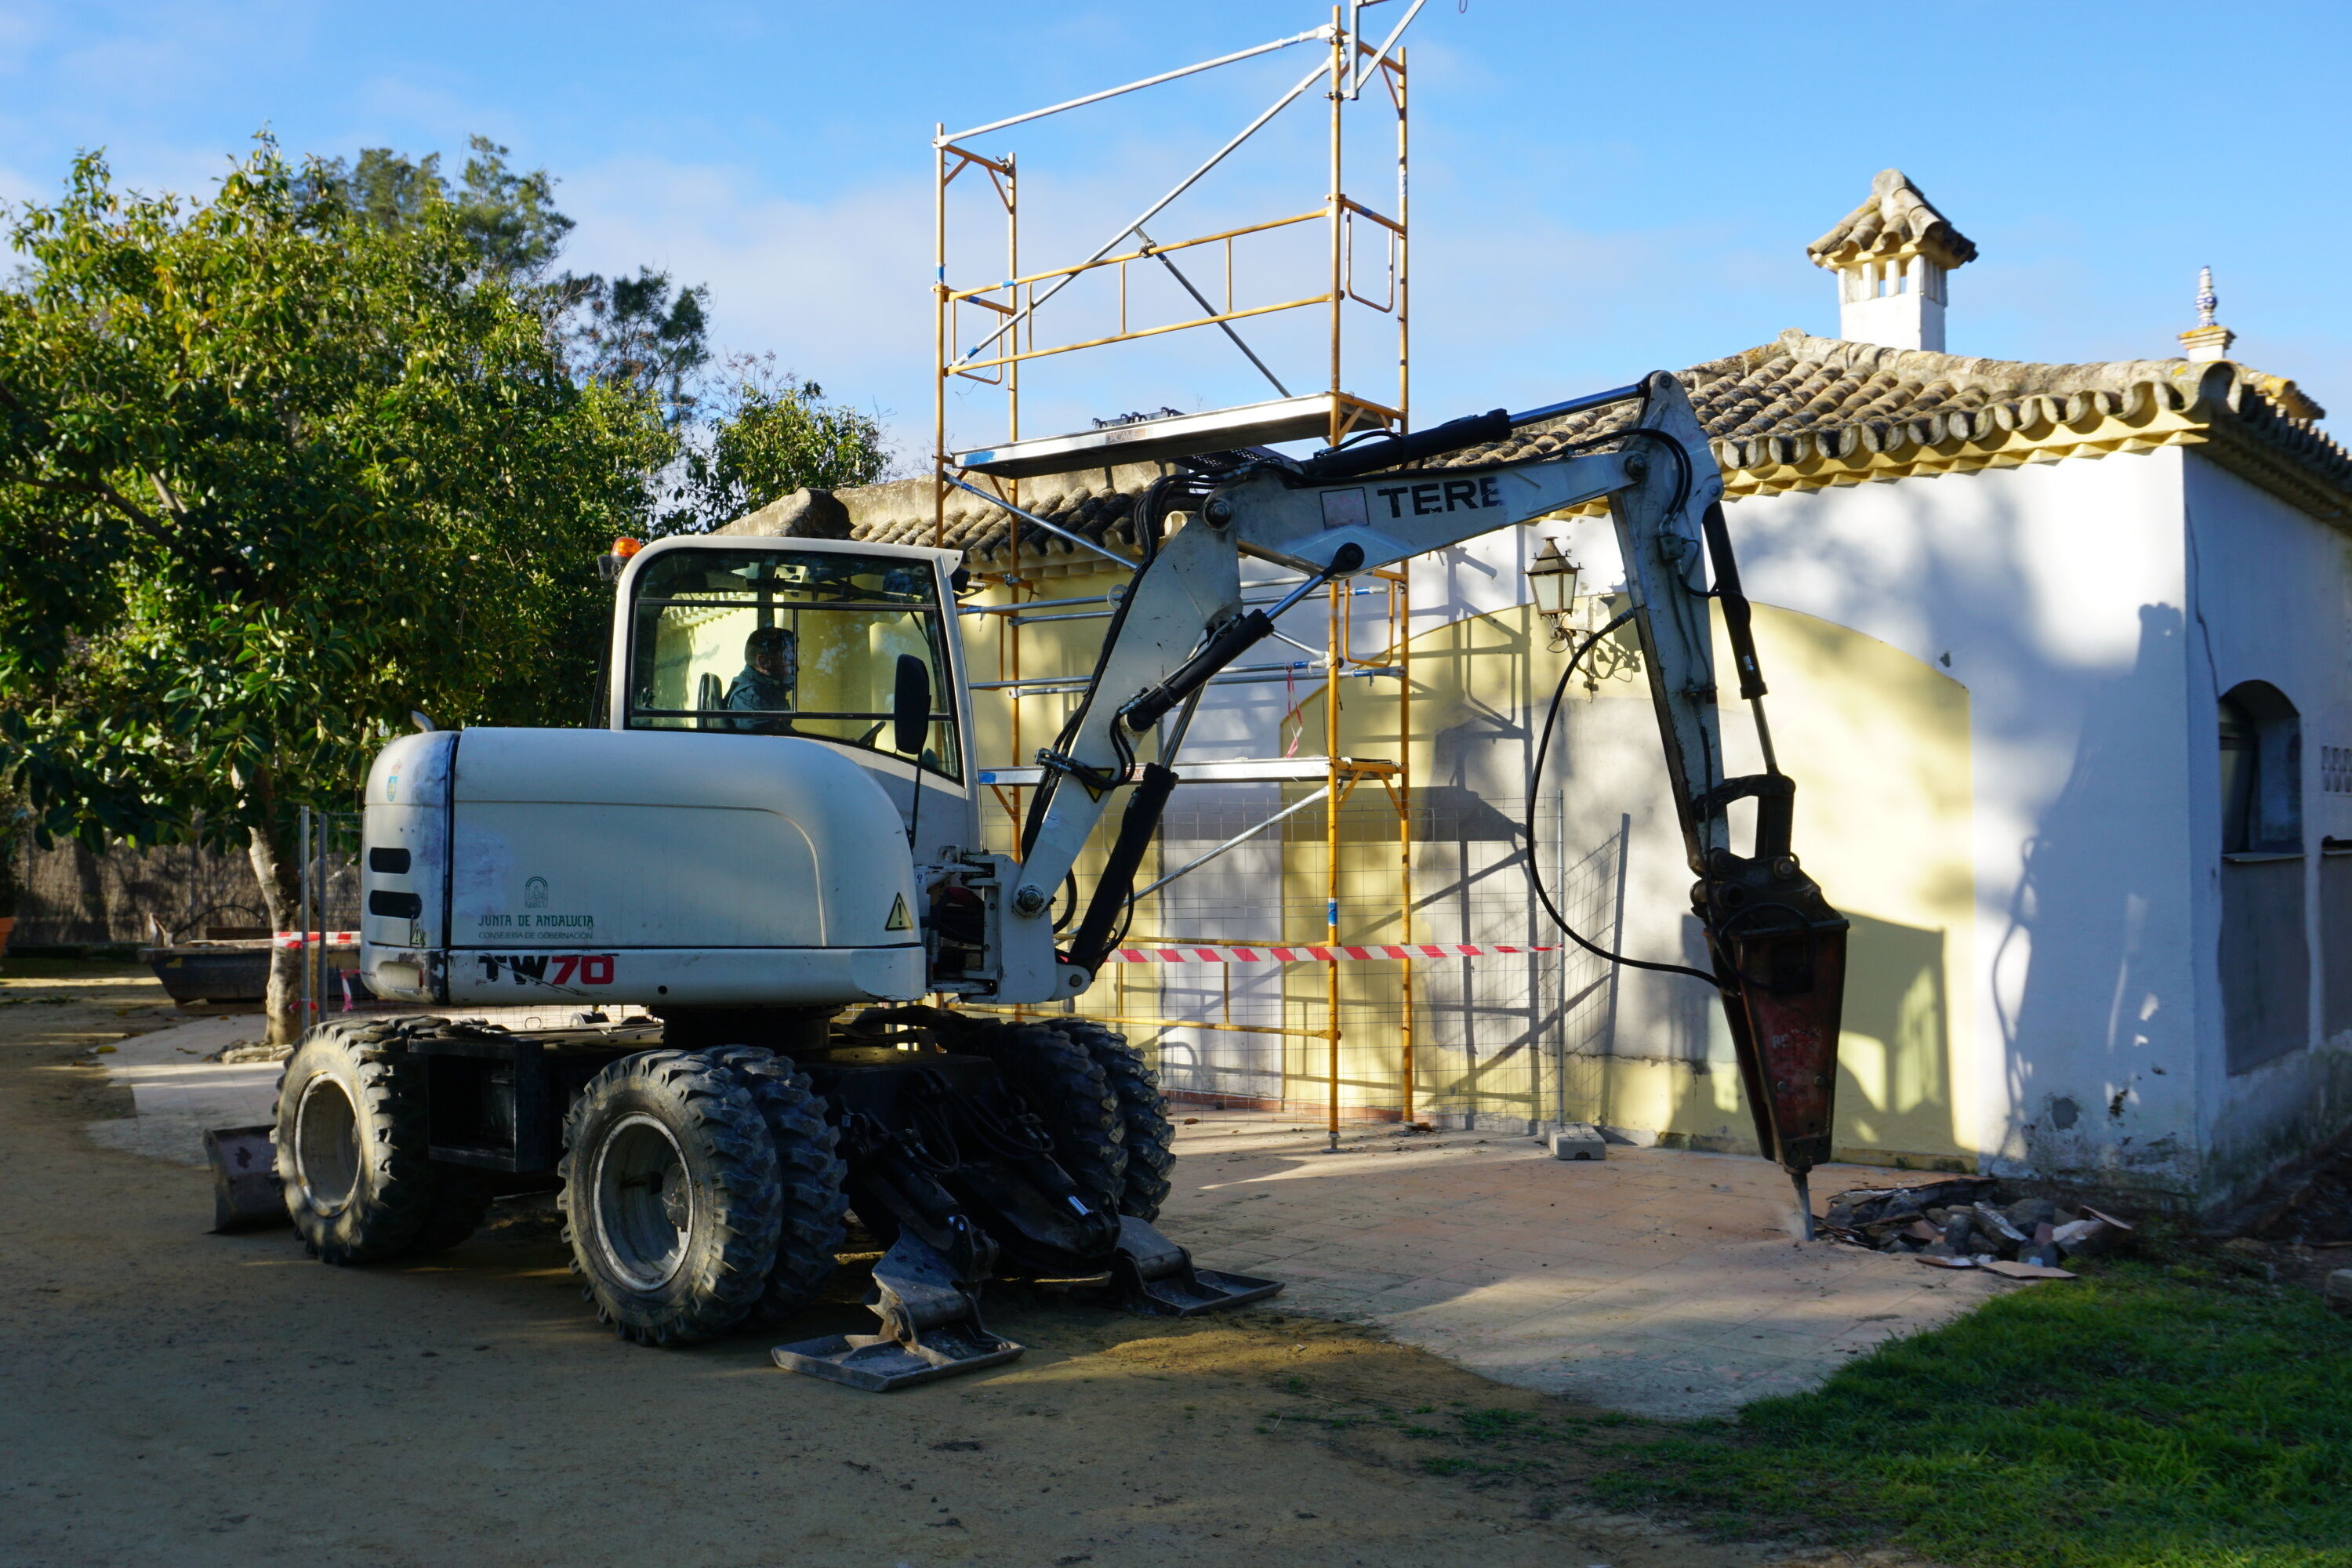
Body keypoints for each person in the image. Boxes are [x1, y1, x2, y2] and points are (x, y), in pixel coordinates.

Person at [724, 626, 797, 732]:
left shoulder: (765, 691)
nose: (797, 669)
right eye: (789, 662)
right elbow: (769, 744)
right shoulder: (751, 696)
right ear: (763, 662)